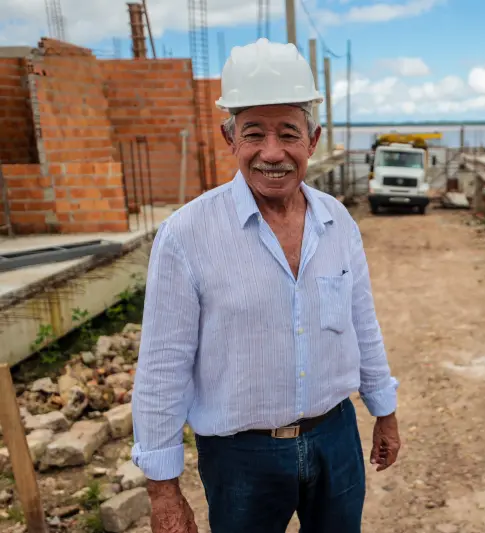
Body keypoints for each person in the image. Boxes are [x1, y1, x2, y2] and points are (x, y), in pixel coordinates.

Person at [131, 38, 401, 533]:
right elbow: (161, 366)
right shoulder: (186, 235)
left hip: (336, 435)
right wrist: (163, 490)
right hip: (240, 456)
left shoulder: (337, 221)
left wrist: (384, 411)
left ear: (312, 140)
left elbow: (363, 321)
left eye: (289, 134)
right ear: (230, 137)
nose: (272, 153)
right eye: (254, 133)